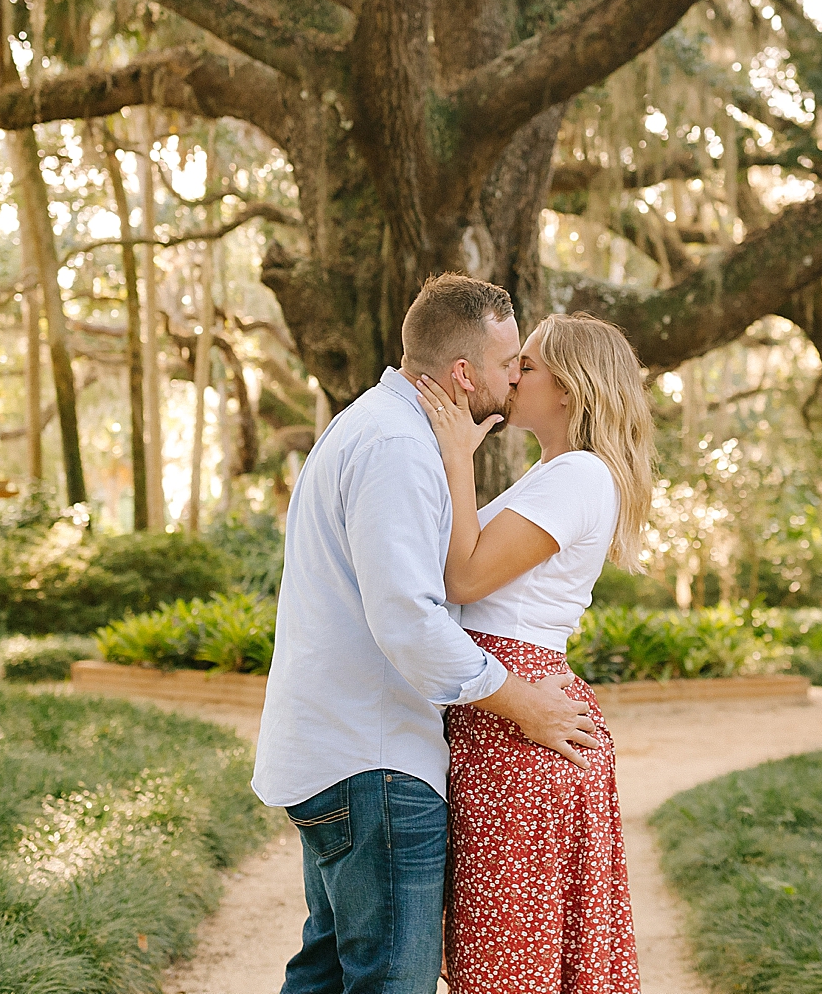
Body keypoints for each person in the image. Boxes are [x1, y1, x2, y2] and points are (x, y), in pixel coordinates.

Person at [252, 273, 601, 994]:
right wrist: (522, 703)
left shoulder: (378, 426)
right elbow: (409, 621)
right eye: (511, 365)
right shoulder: (397, 448)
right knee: (391, 983)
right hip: (373, 762)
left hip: (342, 753)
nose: (514, 380)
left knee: (325, 975)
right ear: (464, 374)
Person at [413, 311, 655, 994]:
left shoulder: (577, 476)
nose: (514, 374)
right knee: (513, 952)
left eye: (532, 365)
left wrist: (458, 455)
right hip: (511, 716)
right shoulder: (559, 473)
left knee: (507, 960)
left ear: (571, 390)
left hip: (520, 729)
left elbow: (464, 577)